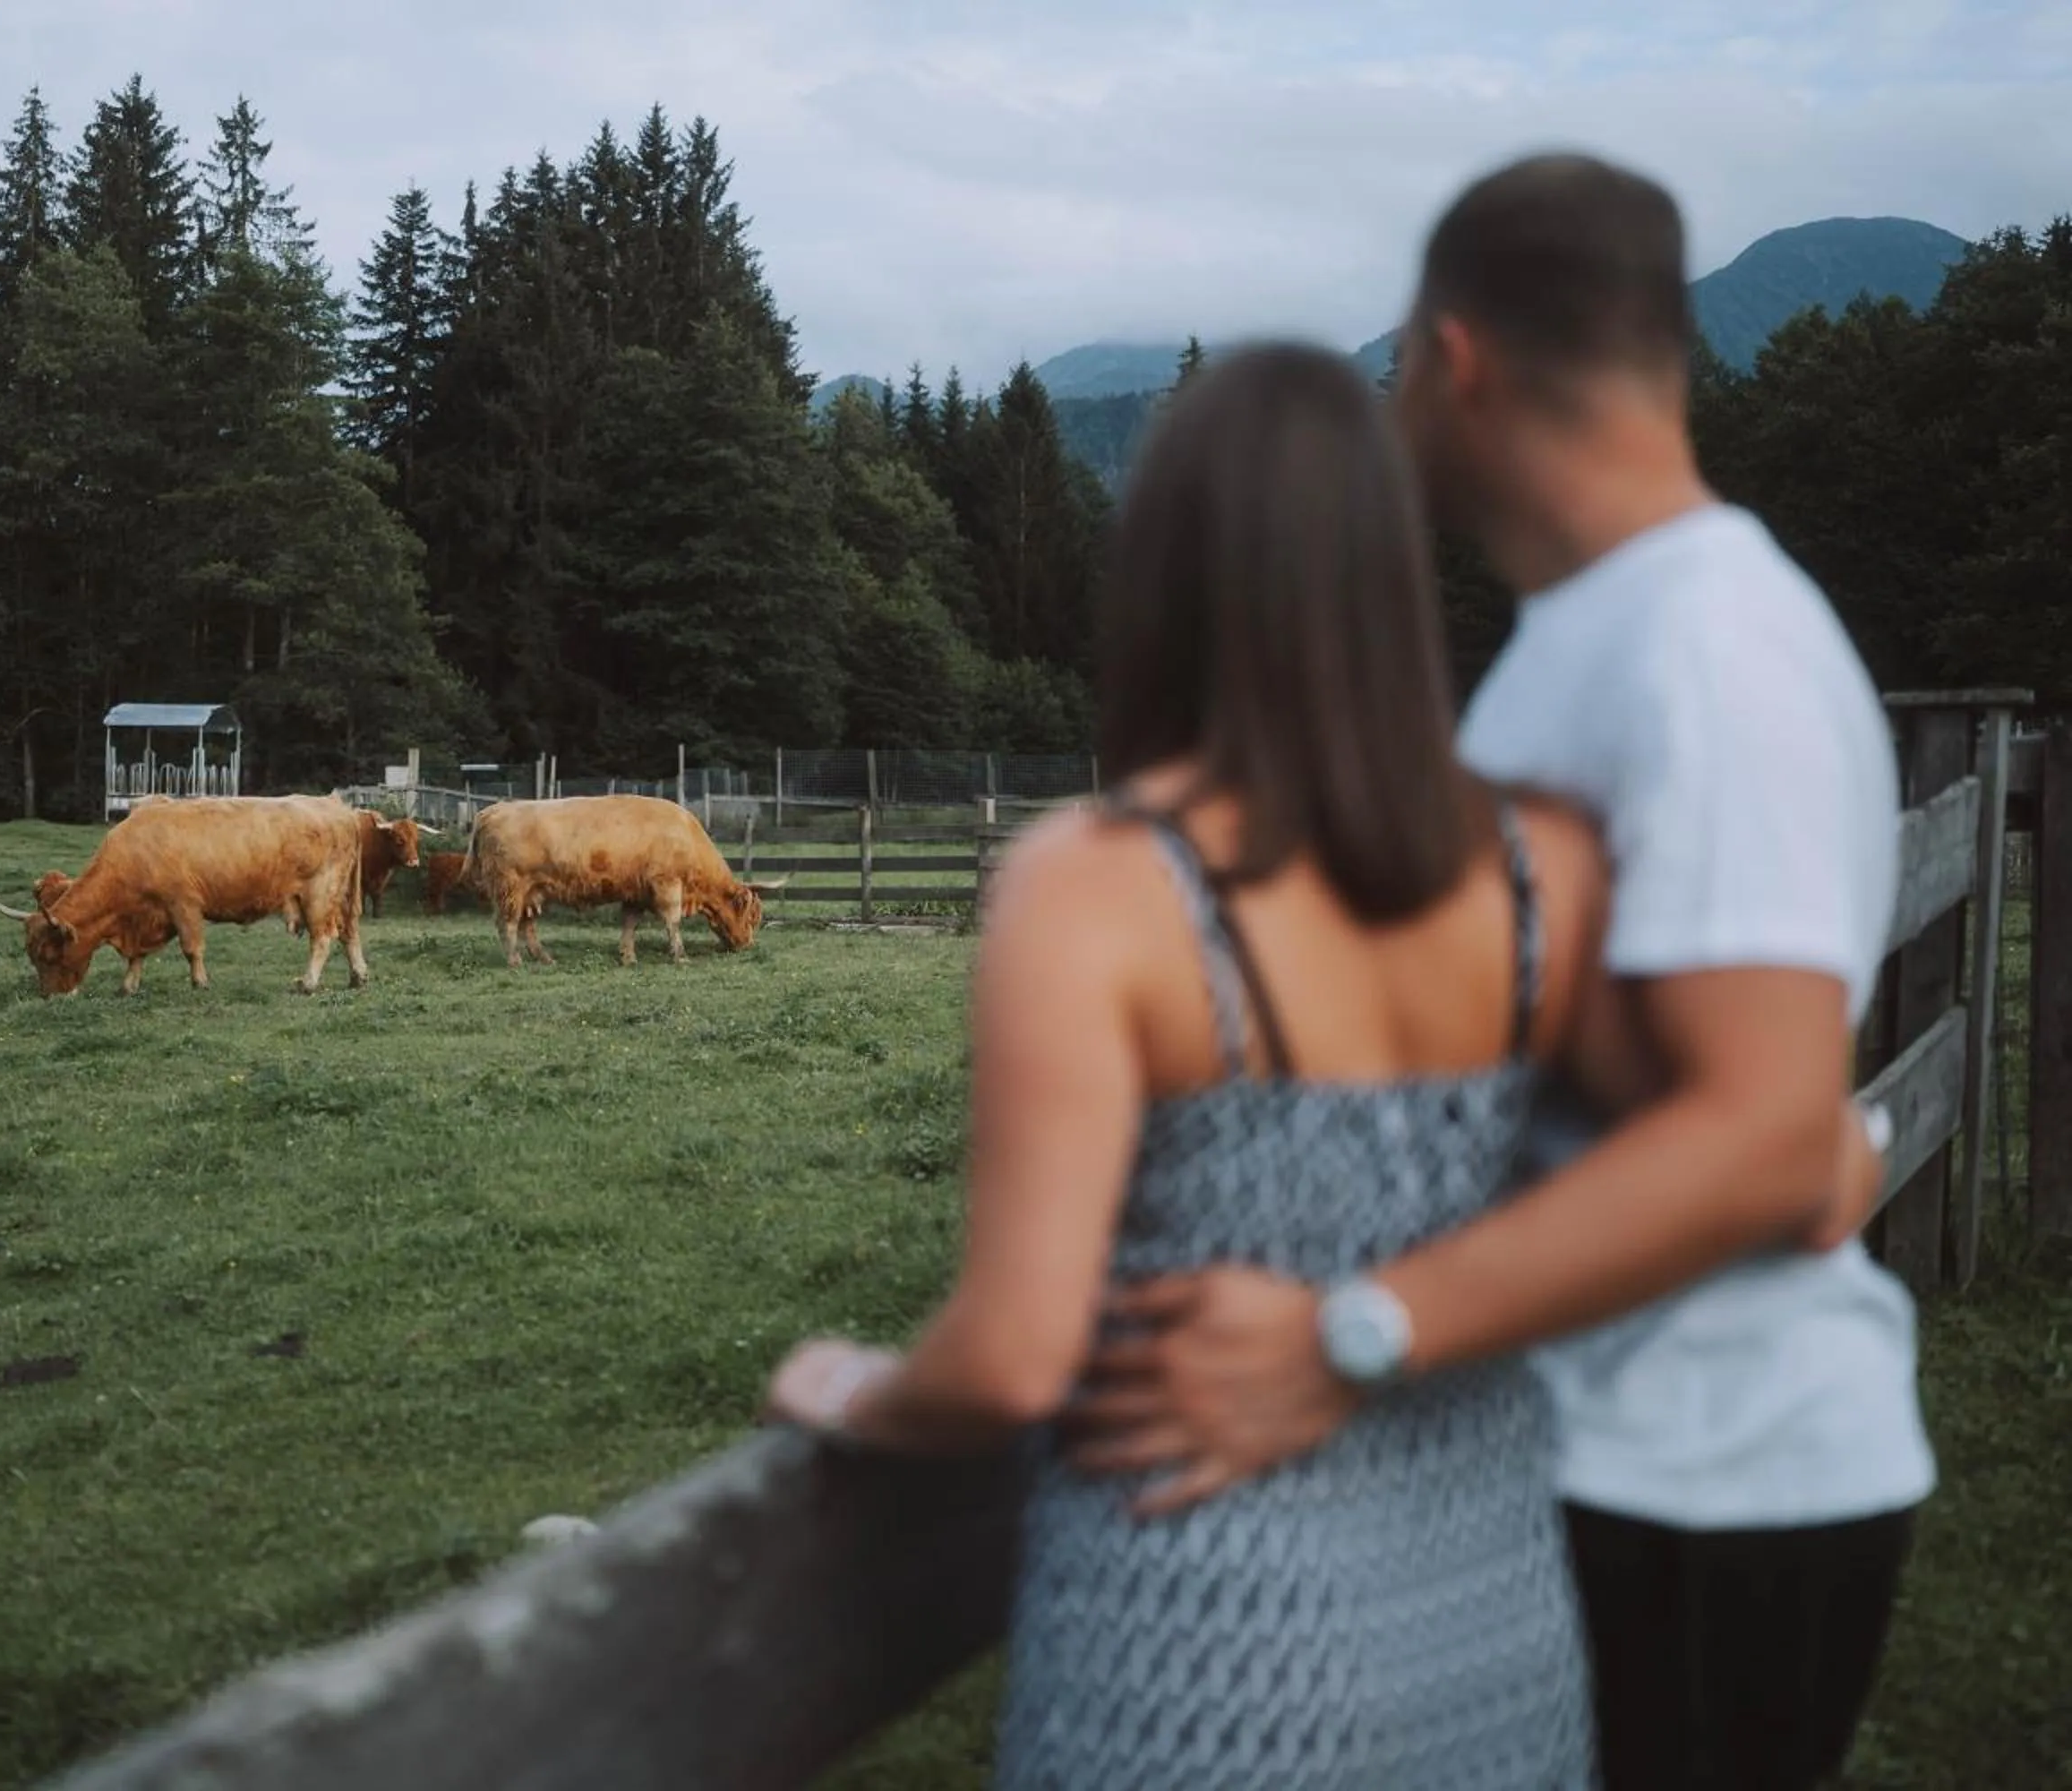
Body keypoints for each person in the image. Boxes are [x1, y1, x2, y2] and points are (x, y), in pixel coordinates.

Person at [1062, 153, 1931, 1791]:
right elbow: (1770, 1130)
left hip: (1708, 1481)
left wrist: (1345, 1336)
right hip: (1590, 1457)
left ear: (1453, 355)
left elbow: (1757, 1140)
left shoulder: (1707, 651)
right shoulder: (1594, 638)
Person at [764, 341, 1638, 1788]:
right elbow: (1665, 1195)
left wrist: (859, 1393)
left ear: (1162, 573)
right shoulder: (1548, 869)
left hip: (1191, 1663)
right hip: (1493, 1645)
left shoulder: (1098, 887)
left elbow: (1012, 1357)